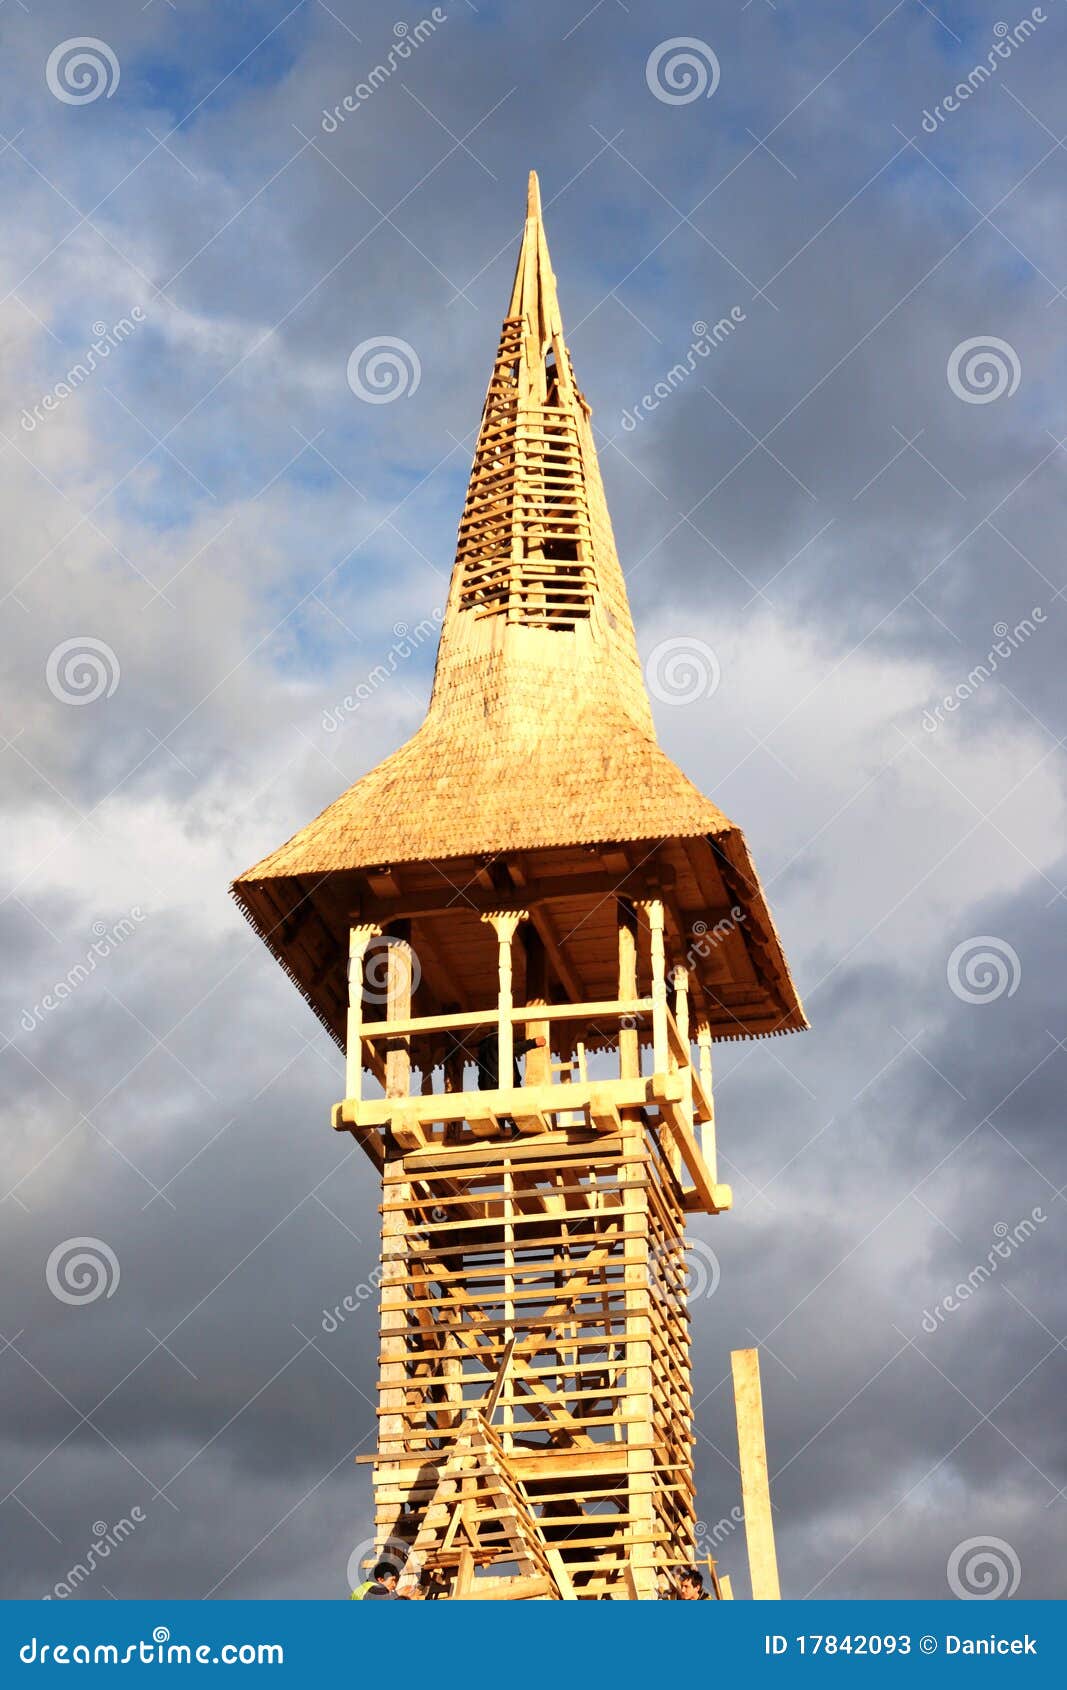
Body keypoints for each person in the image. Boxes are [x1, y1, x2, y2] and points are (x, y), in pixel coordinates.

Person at [475, 1032, 546, 1091]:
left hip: (489, 1089)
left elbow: (481, 1076)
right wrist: (533, 1043)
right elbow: (512, 1049)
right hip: (506, 1086)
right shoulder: (496, 1040)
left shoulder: (482, 1049)